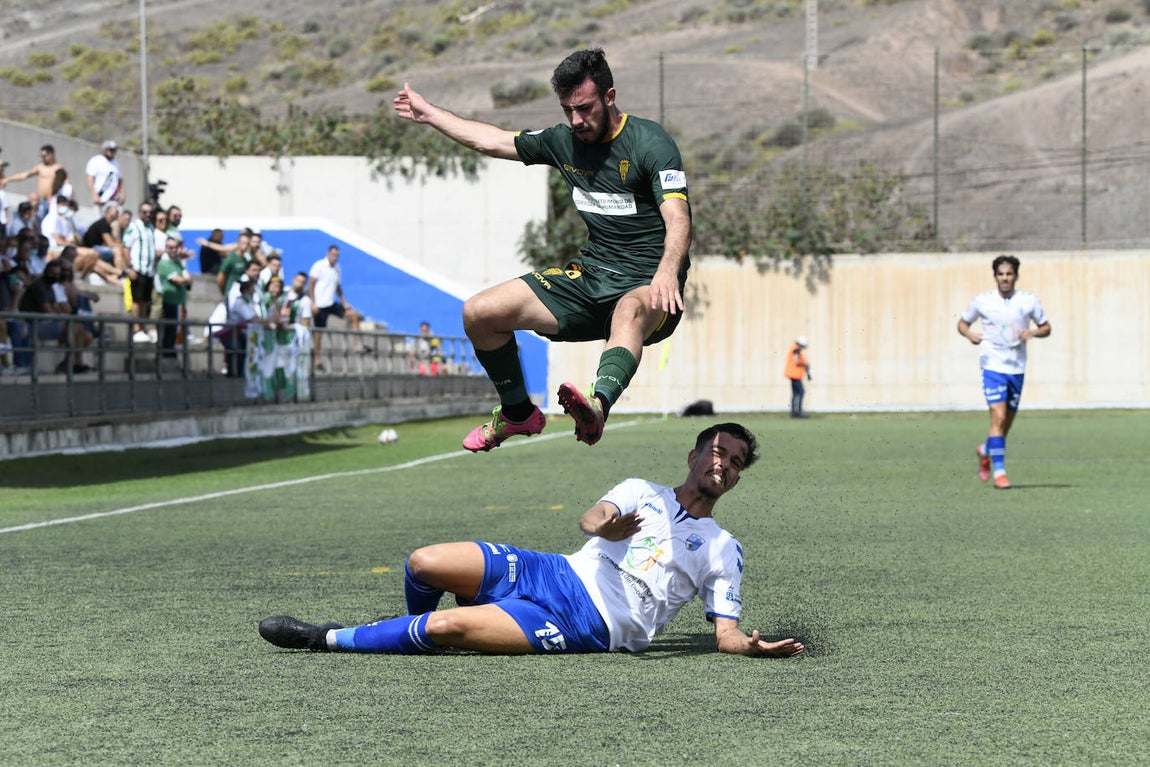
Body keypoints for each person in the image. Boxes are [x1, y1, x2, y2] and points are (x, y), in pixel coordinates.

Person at [259, 423, 806, 660]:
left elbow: (726, 635)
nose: (723, 463)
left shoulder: (722, 547)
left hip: (589, 625)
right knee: (423, 563)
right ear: (693, 455)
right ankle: (403, 633)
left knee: (447, 625)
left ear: (736, 478)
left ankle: (327, 638)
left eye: (734, 462)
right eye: (716, 451)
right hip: (551, 571)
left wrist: (751, 647)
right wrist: (607, 528)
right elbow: (593, 519)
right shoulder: (643, 490)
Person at [394, 47, 692, 452]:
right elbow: (492, 140)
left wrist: (667, 270)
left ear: (609, 96)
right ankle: (518, 414)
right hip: (589, 279)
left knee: (629, 309)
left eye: (584, 108)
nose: (576, 120)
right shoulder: (564, 142)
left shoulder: (650, 144)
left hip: (648, 285)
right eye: (568, 109)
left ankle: (596, 409)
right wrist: (430, 114)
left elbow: (678, 217)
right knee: (479, 313)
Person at [957, 254, 1051, 490]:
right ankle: (1000, 472)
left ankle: (986, 450)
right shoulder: (982, 301)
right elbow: (962, 323)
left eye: (1009, 274)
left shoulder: (1028, 301)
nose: (1005, 278)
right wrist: (970, 335)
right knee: (997, 417)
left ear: (1016, 276)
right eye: (1001, 274)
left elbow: (1046, 327)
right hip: (992, 365)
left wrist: (1032, 333)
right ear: (995, 276)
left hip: (1016, 367)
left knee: (1005, 424)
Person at [307, 244, 366, 360]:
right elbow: (311, 284)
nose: (335, 257)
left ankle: (357, 344)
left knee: (354, 316)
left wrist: (344, 302)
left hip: (331, 303)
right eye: (333, 254)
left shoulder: (337, 268)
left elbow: (337, 286)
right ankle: (317, 359)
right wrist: (313, 303)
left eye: (337, 255)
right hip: (320, 304)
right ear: (328, 254)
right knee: (319, 333)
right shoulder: (319, 265)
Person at [123, 200, 159, 343]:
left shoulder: (150, 227)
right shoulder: (133, 227)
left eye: (149, 212)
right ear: (139, 213)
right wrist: (129, 267)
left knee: (145, 301)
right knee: (137, 300)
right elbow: (125, 248)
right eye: (144, 212)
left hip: (149, 270)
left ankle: (143, 327)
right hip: (137, 268)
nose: (147, 214)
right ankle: (137, 328)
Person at [155, 236, 193, 358]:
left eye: (175, 247)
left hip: (180, 301)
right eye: (170, 247)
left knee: (177, 331)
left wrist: (185, 280)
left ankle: (171, 354)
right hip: (170, 301)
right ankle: (167, 355)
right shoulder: (164, 263)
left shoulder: (177, 262)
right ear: (166, 248)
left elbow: (188, 279)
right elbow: (180, 281)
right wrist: (184, 280)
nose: (173, 250)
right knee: (170, 330)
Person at [0, 144, 64, 217]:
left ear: (51, 154)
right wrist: (8, 179)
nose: (43, 158)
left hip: (53, 202)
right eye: (41, 156)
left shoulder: (59, 169)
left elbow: (66, 187)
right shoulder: (40, 167)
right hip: (41, 202)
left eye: (44, 156)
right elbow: (25, 175)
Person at [85, 140, 126, 213]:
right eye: (110, 150)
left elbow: (120, 180)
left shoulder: (115, 163)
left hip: (113, 201)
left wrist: (122, 194)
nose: (112, 152)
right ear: (104, 150)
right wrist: (94, 195)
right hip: (101, 199)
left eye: (114, 150)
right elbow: (90, 179)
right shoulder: (96, 161)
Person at [783, 336, 811, 418]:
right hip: (795, 375)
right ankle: (798, 411)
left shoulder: (794, 348)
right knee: (801, 392)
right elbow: (797, 361)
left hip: (793, 375)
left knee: (795, 394)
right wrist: (805, 364)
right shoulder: (796, 350)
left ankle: (794, 412)